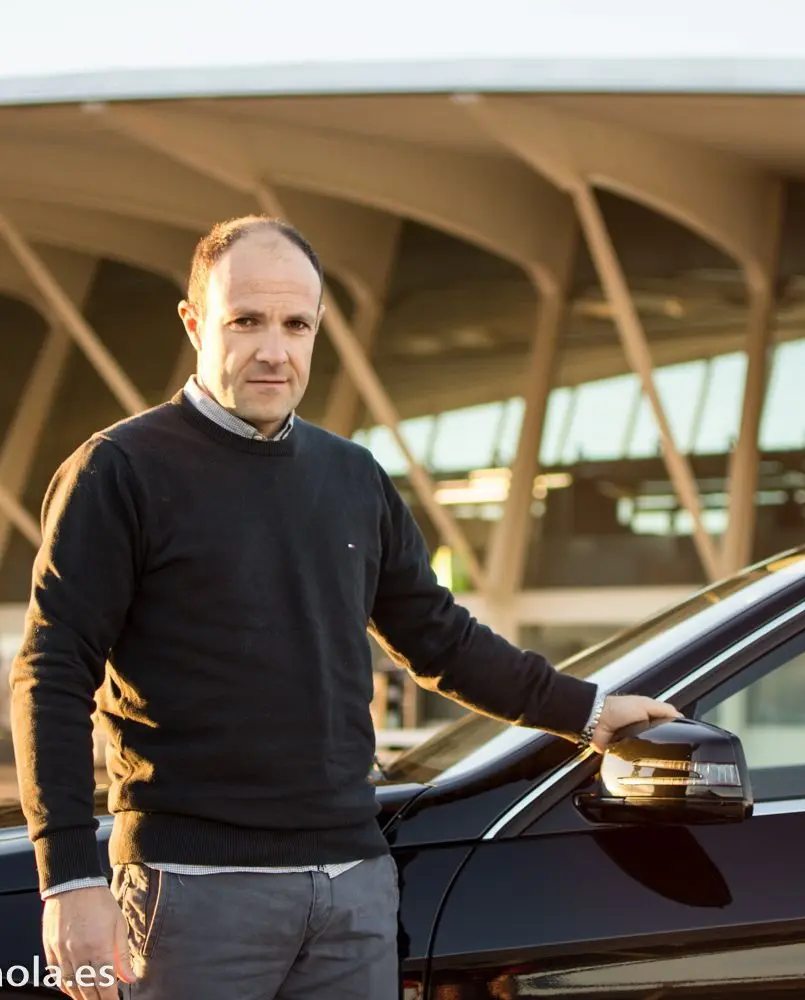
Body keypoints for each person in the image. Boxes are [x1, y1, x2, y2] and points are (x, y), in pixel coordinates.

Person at [9, 216, 681, 1000]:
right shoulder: (116, 470)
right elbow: (52, 675)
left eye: (296, 324)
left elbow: (439, 639)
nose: (274, 349)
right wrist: (68, 881)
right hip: (192, 895)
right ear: (195, 322)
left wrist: (591, 712)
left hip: (353, 893)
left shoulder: (354, 476)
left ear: (318, 328)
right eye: (246, 321)